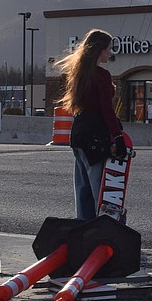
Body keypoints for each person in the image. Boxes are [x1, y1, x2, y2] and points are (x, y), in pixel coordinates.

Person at [55, 29, 125, 220]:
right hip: (96, 135)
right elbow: (106, 109)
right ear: (99, 50)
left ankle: (82, 234)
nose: (110, 53)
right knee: (99, 191)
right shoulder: (101, 75)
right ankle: (102, 235)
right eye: (108, 49)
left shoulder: (78, 74)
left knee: (82, 190)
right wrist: (117, 135)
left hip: (78, 134)